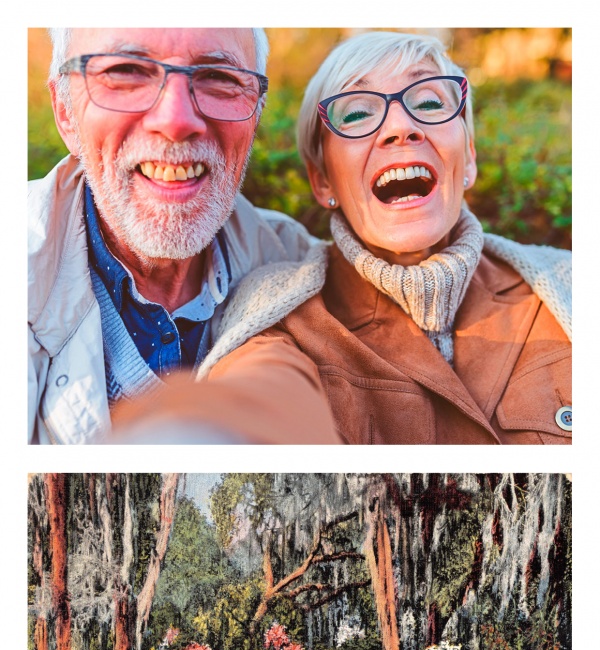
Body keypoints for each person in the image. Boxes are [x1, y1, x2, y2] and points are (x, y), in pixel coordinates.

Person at [190, 30, 571, 445]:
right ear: (322, 181)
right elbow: (256, 404)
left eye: (428, 103)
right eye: (356, 114)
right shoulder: (278, 318)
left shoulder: (568, 286)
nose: (402, 128)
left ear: (470, 159)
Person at [28, 27, 338, 444]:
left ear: (256, 112)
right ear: (65, 111)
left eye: (219, 78)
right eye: (126, 72)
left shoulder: (300, 266)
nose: (175, 121)